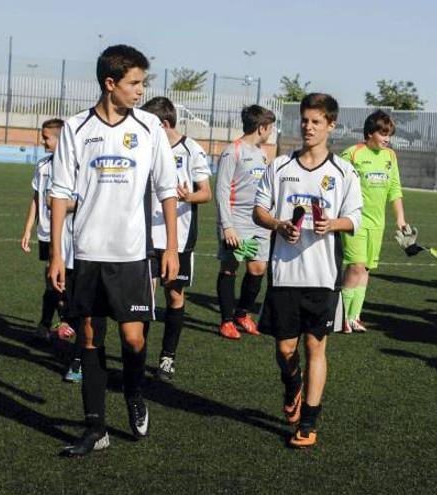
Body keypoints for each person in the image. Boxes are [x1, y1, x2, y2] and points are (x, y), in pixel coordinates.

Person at [49, 44, 180, 455]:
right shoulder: (75, 129)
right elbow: (58, 194)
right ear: (111, 83)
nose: (141, 90)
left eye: (142, 83)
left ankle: (135, 393)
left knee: (134, 339)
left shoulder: (148, 128)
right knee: (89, 336)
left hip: (132, 255)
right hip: (87, 252)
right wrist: (56, 253)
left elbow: (166, 189)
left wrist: (171, 246)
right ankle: (95, 428)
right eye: (134, 83)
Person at [253, 93, 362, 448]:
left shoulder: (343, 172)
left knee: (316, 347)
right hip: (284, 274)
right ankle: (292, 385)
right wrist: (279, 224)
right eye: (304, 120)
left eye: (316, 121)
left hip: (322, 277)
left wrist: (332, 224)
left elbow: (355, 219)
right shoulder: (280, 167)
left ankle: (309, 421)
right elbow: (259, 211)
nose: (308, 127)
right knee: (285, 350)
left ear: (331, 125)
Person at [140, 97, 212, 380]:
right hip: (145, 236)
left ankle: (167, 357)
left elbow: (205, 192)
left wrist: (187, 196)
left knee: (174, 295)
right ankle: (138, 353)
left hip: (178, 237)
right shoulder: (145, 146)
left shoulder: (191, 149)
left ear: (164, 124)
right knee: (145, 295)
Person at [339, 110, 408, 333]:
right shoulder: (352, 153)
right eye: (383, 133)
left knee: (366, 268)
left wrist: (400, 218)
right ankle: (341, 316)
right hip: (354, 220)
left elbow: (395, 188)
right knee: (356, 265)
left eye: (389, 134)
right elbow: (335, 184)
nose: (387, 138)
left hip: (377, 223)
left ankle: (354, 316)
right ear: (370, 132)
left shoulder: (390, 156)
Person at [215, 105, 277, 340]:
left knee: (258, 267)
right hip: (236, 221)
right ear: (261, 127)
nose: (270, 132)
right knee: (230, 267)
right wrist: (227, 225)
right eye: (269, 127)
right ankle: (226, 321)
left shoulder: (261, 153)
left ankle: (242, 314)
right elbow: (221, 190)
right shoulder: (233, 151)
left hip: (258, 222)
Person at [20, 118, 67, 342]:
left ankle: (56, 322)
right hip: (45, 231)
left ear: (60, 139)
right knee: (51, 277)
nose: (42, 141)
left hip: (67, 234)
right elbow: (36, 199)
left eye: (46, 137)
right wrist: (28, 228)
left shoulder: (71, 166)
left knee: (60, 278)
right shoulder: (42, 165)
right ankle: (52, 323)